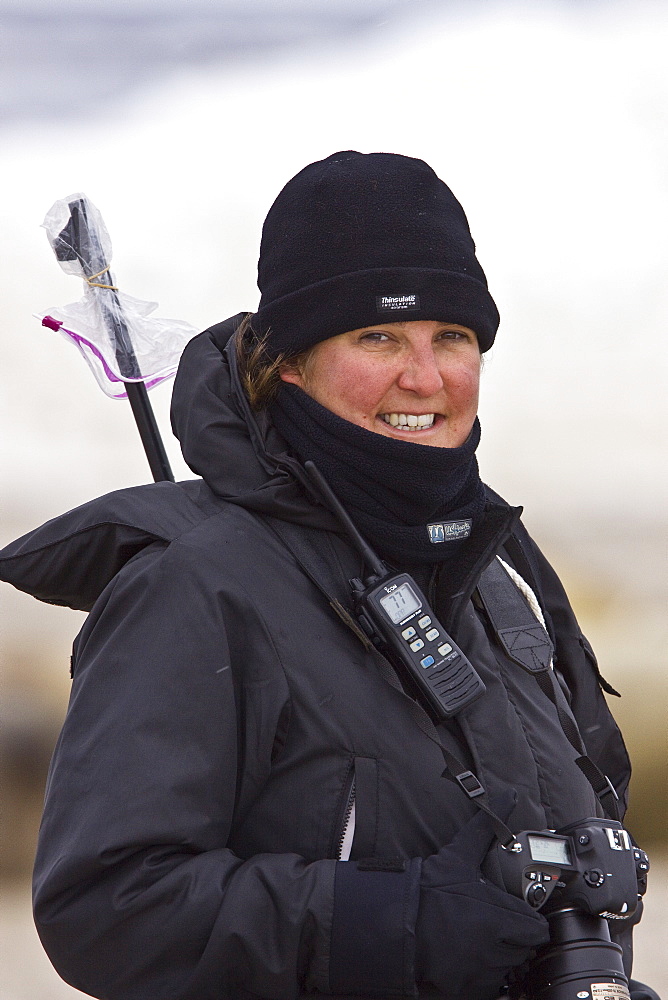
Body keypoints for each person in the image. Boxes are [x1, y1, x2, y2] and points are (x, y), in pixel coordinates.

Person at [0, 151, 659, 1000]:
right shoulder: (198, 586)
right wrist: (388, 926)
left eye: (451, 336)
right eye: (377, 335)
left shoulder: (492, 580)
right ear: (286, 366)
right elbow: (106, 906)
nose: (425, 377)